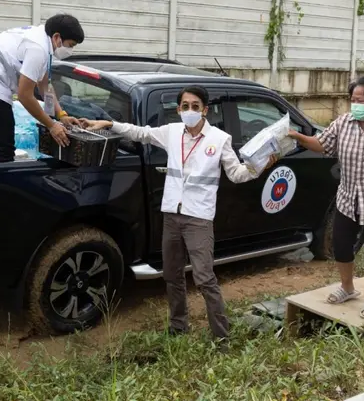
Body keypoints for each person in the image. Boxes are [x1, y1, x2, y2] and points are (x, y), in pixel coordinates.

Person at [83, 86, 274, 342]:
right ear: (178, 110)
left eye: (196, 106)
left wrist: (259, 166)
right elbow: (141, 133)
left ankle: (221, 336)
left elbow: (236, 174)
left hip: (199, 218)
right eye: (185, 106)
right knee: (172, 276)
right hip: (172, 214)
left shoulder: (219, 139)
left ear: (205, 110)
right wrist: (109, 123)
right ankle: (178, 326)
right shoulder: (172, 132)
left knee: (205, 278)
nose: (190, 110)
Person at [287, 76, 364, 320]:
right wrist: (296, 136)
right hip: (349, 197)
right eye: (352, 100)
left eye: (360, 100)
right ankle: (348, 288)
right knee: (340, 245)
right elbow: (322, 144)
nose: (355, 105)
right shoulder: (344, 123)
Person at [0, 15, 84, 164]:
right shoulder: (38, 48)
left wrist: (61, 114)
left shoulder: (40, 37)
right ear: (57, 37)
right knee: (4, 153)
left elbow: (44, 85)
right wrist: (51, 125)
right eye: (70, 45)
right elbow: (25, 96)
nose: (70, 50)